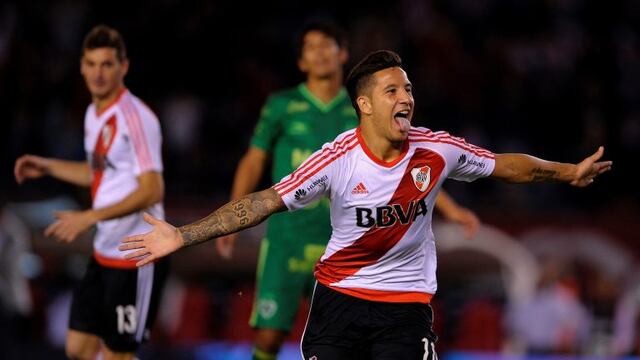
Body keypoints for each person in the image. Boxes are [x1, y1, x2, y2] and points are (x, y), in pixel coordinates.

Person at [120, 50, 611, 359]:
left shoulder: (436, 149)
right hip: (339, 303)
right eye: (392, 90)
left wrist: (567, 171)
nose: (407, 98)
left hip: (406, 308)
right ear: (365, 104)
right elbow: (262, 203)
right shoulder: (336, 159)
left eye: (409, 89)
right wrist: (182, 235)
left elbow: (506, 165)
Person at [215, 21, 480, 359]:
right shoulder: (281, 105)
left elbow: (403, 173)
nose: (321, 53)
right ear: (301, 62)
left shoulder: (364, 107)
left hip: (342, 245)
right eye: (312, 47)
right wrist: (234, 212)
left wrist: (451, 209)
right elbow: (254, 160)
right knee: (268, 337)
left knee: (348, 342)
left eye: (328, 45)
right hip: (287, 238)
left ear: (342, 54)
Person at [14, 25, 168, 360]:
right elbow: (101, 172)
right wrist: (49, 166)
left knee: (118, 354)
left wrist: (90, 216)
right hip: (103, 252)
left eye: (107, 64)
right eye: (92, 64)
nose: (98, 73)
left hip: (137, 255)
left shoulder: (136, 117)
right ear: (82, 67)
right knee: (78, 347)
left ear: (123, 67)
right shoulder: (93, 114)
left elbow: (152, 188)